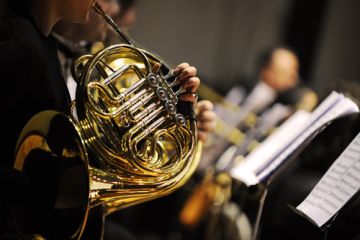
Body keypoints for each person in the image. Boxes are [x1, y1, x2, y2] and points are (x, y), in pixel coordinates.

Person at [0, 0, 201, 238]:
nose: (107, 3)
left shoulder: (43, 42)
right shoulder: (19, 45)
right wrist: (45, 190)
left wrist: (162, 115)